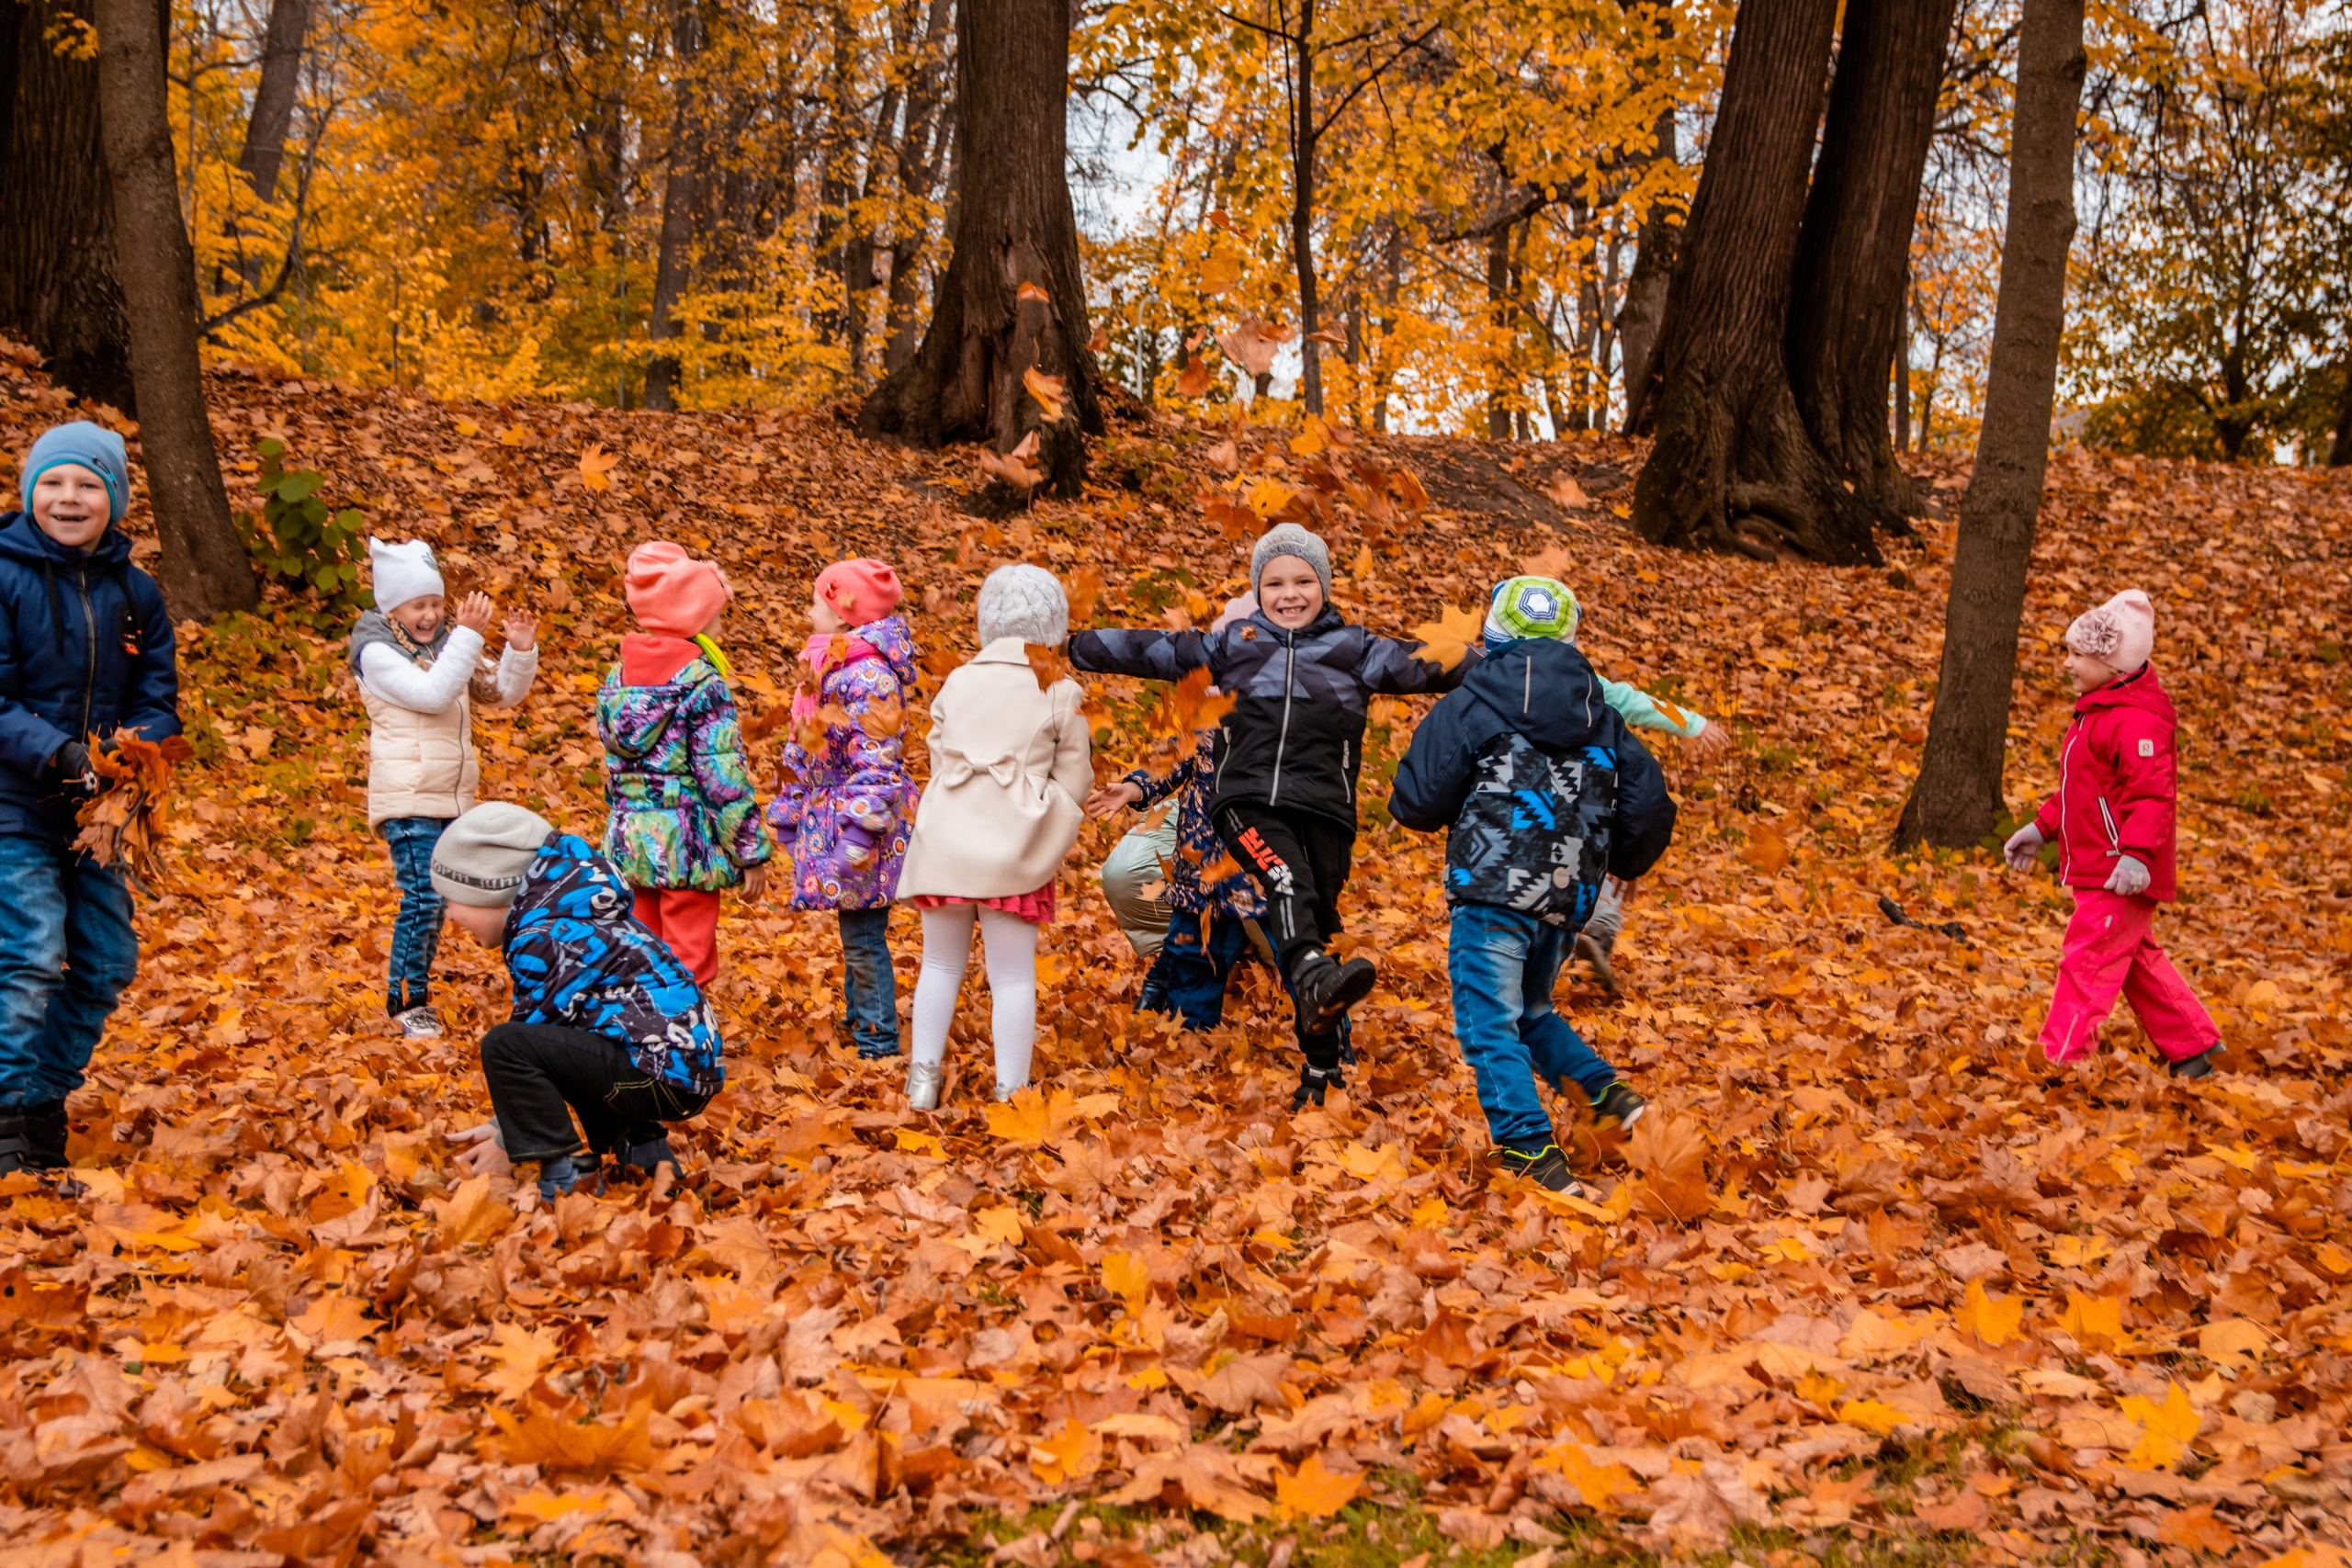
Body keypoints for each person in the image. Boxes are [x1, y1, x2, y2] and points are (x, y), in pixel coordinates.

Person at [1069, 523, 1468, 1108]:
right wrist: (1071, 644)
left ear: (1324, 588)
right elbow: (1150, 649)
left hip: (1327, 810)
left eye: (1304, 580)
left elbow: (1439, 664)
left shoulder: (1357, 651)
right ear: (1258, 592)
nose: (1289, 594)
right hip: (1247, 802)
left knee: (1315, 925)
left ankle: (1323, 1066)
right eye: (1274, 583)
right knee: (1284, 882)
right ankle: (1308, 981)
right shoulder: (1235, 647)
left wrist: (1525, 663)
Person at [1389, 575, 1679, 1193]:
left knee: (1489, 1021)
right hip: (1565, 896)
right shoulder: (1599, 710)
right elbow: (1649, 801)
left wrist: (1416, 801)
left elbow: (1418, 796)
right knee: (1531, 1010)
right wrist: (1622, 860)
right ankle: (1609, 1100)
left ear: (1493, 635)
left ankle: (1528, 1148)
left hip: (1491, 888)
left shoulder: (1475, 699)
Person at [0, 423, 180, 1175]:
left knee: (107, 960)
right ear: (29, 490)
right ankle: (8, 1110)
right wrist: (62, 753)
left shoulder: (135, 592)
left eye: (87, 484)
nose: (69, 498)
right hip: (15, 803)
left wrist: (133, 750)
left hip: (102, 816)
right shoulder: (4, 575)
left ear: (114, 498)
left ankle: (42, 1099)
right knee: (34, 953)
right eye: (54, 482)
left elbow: (159, 695)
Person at [433, 804, 722, 1198]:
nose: (449, 913)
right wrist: (504, 1122)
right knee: (578, 1041)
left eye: (453, 898)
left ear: (491, 890)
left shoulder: (545, 936)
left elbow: (532, 1036)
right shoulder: (580, 917)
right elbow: (558, 1044)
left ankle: (561, 1178)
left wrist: (506, 1139)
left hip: (660, 1070)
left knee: (504, 1044)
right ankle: (648, 1158)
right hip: (681, 1070)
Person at [1472, 575, 1730, 994]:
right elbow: (1639, 702)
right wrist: (1693, 723)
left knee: (1544, 869)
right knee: (1604, 852)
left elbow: (1638, 702)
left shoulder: (1488, 677)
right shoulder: (1588, 685)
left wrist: (1693, 723)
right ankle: (1597, 936)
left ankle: (1569, 943)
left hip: (1521, 808)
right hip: (1583, 801)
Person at [896, 565, 1091, 1109]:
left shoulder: (959, 679)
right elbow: (1075, 774)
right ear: (1053, 625)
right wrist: (1047, 814)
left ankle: (922, 1081)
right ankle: (1012, 1093)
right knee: (1011, 976)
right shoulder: (1059, 687)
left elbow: (938, 752)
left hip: (948, 841)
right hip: (1015, 848)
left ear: (987, 622)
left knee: (938, 963)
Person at [2003, 590, 2220, 1077]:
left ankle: (2062, 1057)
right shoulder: (2097, 713)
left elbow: (2152, 798)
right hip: (2103, 865)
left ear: (2115, 665)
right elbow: (2080, 789)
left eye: (2079, 655)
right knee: (2135, 962)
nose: (2068, 664)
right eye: (2070, 652)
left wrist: (2137, 856)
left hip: (2121, 868)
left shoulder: (2137, 721)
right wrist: (2042, 827)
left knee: (2088, 960)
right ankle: (2193, 1047)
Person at [351, 536, 538, 1038]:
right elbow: (433, 696)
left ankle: (419, 994)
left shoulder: (441, 647)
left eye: (436, 604)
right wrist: (468, 635)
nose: (431, 614)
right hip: (408, 793)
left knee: (449, 896)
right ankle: (406, 1001)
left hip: (449, 796)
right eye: (419, 605)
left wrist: (519, 652)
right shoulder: (377, 652)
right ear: (393, 607)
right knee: (423, 897)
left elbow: (495, 692)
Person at [1088, 594, 1286, 1029]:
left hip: (1257, 867)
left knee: (1291, 952)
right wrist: (1135, 786)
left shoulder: (1286, 716)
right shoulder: (1204, 713)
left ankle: (1327, 1034)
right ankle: (1189, 1034)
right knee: (1190, 955)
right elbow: (1174, 762)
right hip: (1196, 866)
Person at [596, 541, 772, 987]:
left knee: (639, 954)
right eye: (714, 614)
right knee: (687, 962)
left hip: (629, 842)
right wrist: (749, 851)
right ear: (693, 617)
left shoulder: (618, 679)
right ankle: (682, 1045)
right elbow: (722, 778)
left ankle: (638, 1041)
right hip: (685, 847)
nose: (718, 622)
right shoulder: (701, 683)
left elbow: (615, 771)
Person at [769, 558, 919, 1059]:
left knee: (863, 935)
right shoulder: (824, 667)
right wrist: (790, 813)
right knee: (853, 930)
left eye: (817, 602)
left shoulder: (868, 675)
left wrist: (858, 834)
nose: (810, 611)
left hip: (863, 821)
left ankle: (878, 1040)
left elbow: (877, 764)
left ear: (842, 613)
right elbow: (801, 747)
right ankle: (861, 1024)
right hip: (831, 812)